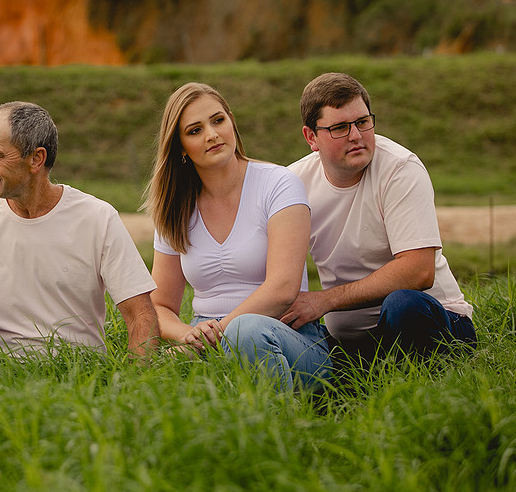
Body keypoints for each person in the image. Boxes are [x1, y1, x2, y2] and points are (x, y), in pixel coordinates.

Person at [0, 101, 159, 357]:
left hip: (78, 370)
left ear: (36, 158)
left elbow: (141, 315)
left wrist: (132, 383)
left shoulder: (97, 218)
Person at [145, 82, 331, 391]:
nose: (212, 134)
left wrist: (216, 333)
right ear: (180, 147)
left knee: (247, 331)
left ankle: (277, 429)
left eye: (218, 120)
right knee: (158, 379)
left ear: (232, 121)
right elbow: (160, 306)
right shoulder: (175, 208)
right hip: (207, 342)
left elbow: (283, 289)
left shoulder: (279, 184)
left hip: (290, 340)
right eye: (195, 130)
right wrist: (187, 337)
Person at [281, 72, 475, 359]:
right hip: (349, 341)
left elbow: (418, 270)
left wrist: (323, 301)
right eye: (340, 128)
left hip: (433, 322)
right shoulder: (292, 183)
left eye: (362, 122)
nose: (356, 136)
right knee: (280, 329)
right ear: (312, 137)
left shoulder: (400, 169)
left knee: (402, 305)